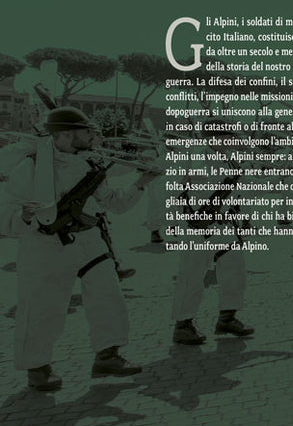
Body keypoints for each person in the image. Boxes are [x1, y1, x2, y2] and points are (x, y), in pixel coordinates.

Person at [1, 107, 155, 391]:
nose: (93, 136)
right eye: (86, 131)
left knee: (109, 295)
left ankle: (108, 355)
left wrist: (141, 183)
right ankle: (37, 367)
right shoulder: (31, 166)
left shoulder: (90, 164)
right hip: (45, 244)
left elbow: (114, 204)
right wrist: (21, 216)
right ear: (65, 134)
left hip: (89, 238)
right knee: (43, 307)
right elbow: (5, 212)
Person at [172, 121, 254, 346]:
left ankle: (228, 317)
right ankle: (183, 324)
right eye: (231, 135)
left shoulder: (231, 160)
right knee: (192, 275)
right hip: (197, 226)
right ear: (215, 137)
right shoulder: (194, 156)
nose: (235, 139)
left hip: (224, 225)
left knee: (235, 271)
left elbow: (246, 188)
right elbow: (174, 187)